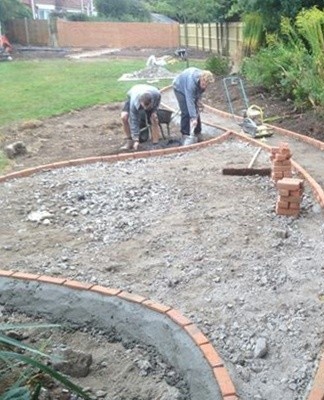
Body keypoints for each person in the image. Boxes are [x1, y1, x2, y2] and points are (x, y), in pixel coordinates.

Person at [172, 68, 214, 143]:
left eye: (206, 85)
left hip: (188, 86)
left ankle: (197, 132)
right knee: (186, 111)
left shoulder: (203, 82)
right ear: (201, 79)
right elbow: (190, 100)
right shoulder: (191, 83)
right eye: (204, 84)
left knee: (195, 110)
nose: (205, 87)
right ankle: (185, 134)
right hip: (179, 88)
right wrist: (193, 118)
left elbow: (199, 92)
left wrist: (198, 100)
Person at [121, 84, 161, 151]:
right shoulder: (134, 101)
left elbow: (157, 103)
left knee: (154, 118)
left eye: (147, 107)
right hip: (133, 93)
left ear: (151, 102)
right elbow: (134, 120)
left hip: (150, 92)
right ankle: (130, 141)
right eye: (143, 107)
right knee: (124, 117)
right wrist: (136, 140)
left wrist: (154, 111)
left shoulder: (156, 94)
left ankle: (155, 143)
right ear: (140, 102)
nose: (145, 109)